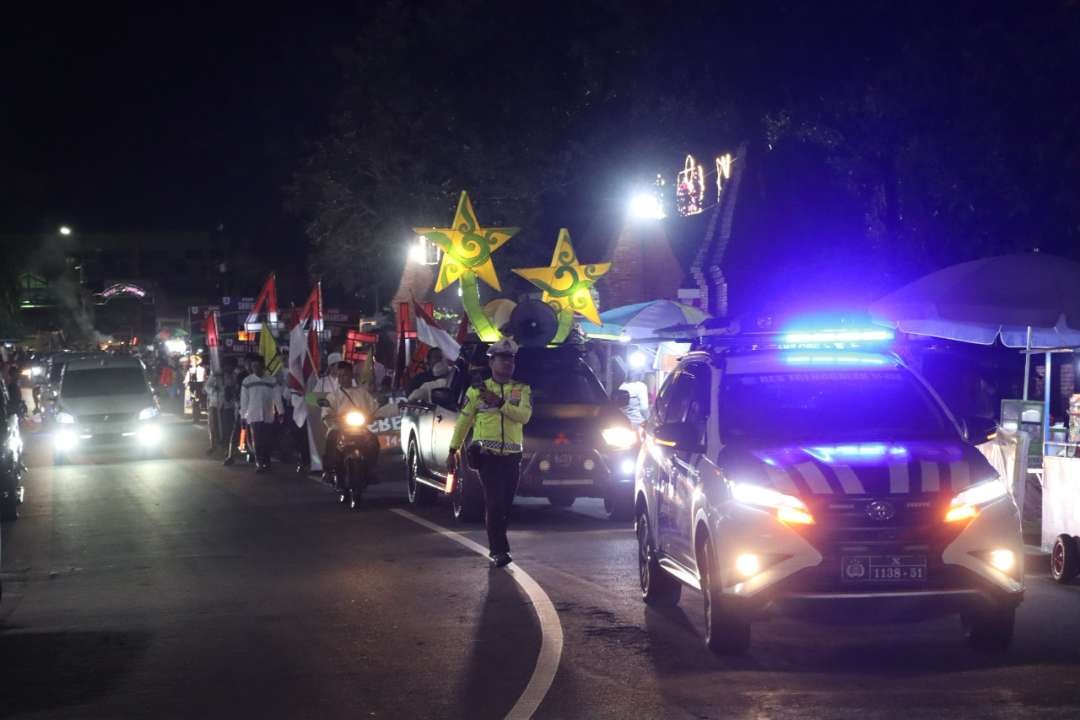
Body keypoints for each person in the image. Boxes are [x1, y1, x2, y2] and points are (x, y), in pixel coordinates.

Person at [447, 339, 532, 568]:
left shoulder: (522, 389)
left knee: (504, 505)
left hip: (513, 457)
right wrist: (453, 449)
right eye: (502, 359)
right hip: (487, 457)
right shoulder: (476, 391)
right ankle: (499, 550)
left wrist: (500, 403)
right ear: (491, 362)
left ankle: (499, 545)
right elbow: (464, 421)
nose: (507, 363)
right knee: (494, 503)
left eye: (510, 359)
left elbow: (524, 416)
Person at [322, 361, 379, 484]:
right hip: (339, 428)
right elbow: (326, 412)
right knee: (331, 439)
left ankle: (371, 469)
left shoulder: (362, 393)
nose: (342, 378)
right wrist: (330, 417)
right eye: (340, 376)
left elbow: (374, 407)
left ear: (351, 376)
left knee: (374, 441)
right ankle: (329, 471)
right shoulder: (333, 396)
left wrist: (375, 415)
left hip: (360, 428)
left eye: (345, 375)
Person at [239, 356, 283, 473]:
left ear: (263, 366)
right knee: (257, 441)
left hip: (268, 414)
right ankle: (259, 463)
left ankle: (267, 462)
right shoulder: (247, 381)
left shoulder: (271, 380)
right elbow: (244, 401)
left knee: (267, 440)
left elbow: (277, 397)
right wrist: (243, 416)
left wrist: (281, 412)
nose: (256, 369)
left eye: (258, 366)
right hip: (254, 416)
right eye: (254, 367)